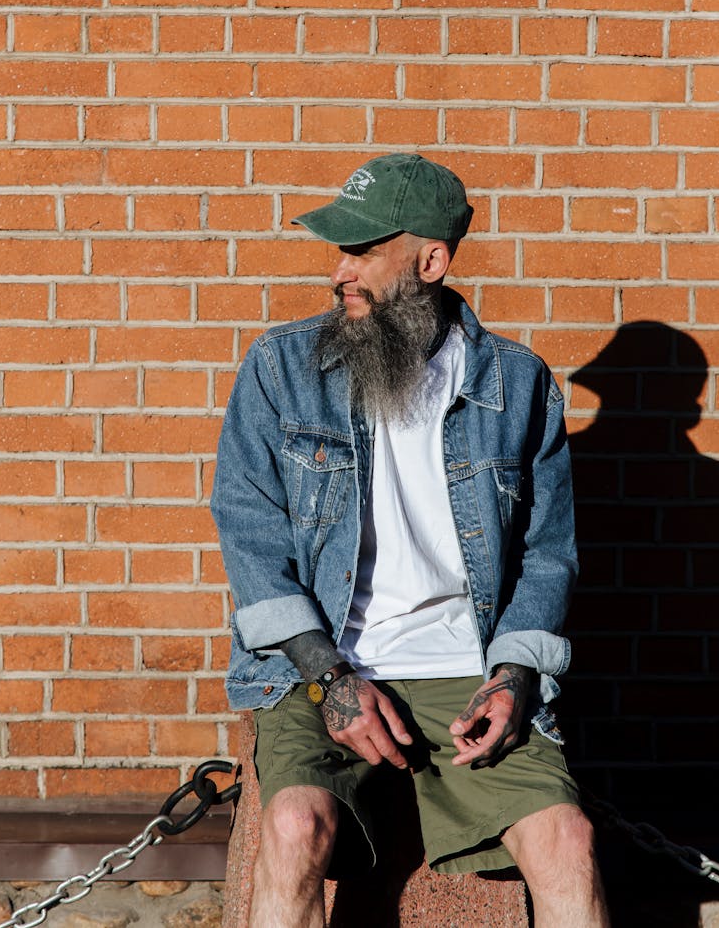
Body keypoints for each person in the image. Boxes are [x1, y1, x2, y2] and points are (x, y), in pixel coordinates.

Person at [211, 153, 609, 928]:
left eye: (362, 251)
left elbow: (548, 553)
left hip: (466, 672)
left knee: (569, 839)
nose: (339, 272)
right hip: (324, 662)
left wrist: (514, 676)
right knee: (294, 827)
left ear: (431, 260)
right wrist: (329, 678)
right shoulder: (279, 369)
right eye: (339, 250)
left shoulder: (517, 385)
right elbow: (252, 541)